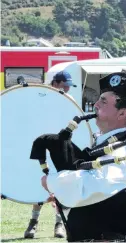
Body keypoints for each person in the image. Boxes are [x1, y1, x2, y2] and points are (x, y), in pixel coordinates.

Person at [40, 71, 126, 242]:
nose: (96, 104)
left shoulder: (123, 149)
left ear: (122, 114)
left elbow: (97, 186)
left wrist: (53, 182)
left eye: (104, 101)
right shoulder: (114, 144)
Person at [24, 70, 76, 239]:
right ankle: (33, 223)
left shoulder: (70, 101)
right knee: (36, 184)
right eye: (65, 85)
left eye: (69, 86)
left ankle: (59, 224)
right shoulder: (41, 97)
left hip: (62, 149)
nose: (67, 89)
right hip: (42, 144)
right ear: (56, 82)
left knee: (62, 185)